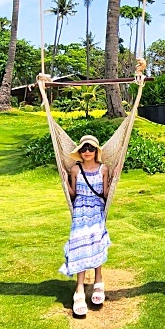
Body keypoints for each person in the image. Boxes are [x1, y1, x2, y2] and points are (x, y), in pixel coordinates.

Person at [61, 134, 111, 318]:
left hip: (97, 209)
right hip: (80, 210)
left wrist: (114, 183)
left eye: (90, 148)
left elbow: (105, 193)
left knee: (96, 241)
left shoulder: (103, 169)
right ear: (79, 152)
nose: (87, 151)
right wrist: (65, 181)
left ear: (96, 151)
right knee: (79, 244)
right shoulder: (75, 169)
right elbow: (73, 194)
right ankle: (79, 288)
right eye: (84, 149)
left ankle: (99, 280)